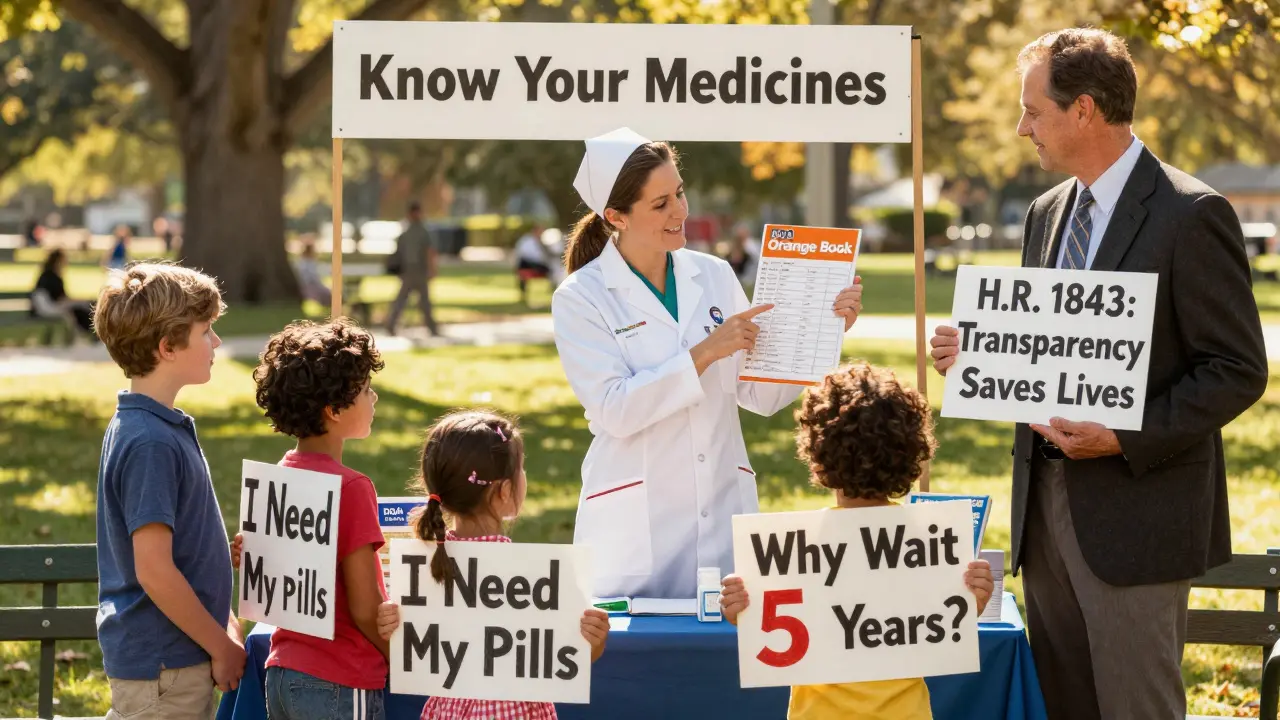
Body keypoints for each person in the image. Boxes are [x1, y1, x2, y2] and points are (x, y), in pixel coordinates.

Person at [928, 28, 1268, 720]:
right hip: (1044, 512)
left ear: (1084, 110)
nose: (1022, 128)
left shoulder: (1192, 214)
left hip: (1137, 518)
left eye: (1033, 111)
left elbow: (1237, 369)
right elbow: (1051, 346)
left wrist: (1122, 436)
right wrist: (979, 352)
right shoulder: (1045, 213)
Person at [550, 127, 865, 599]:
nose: (680, 211)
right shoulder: (581, 297)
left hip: (721, 506)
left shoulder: (713, 275)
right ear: (616, 216)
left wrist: (824, 331)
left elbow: (759, 395)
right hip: (634, 524)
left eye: (679, 193)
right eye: (660, 204)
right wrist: (703, 354)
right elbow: (614, 410)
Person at [720, 362, 995, 720]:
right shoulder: (927, 542)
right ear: (913, 456)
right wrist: (974, 599)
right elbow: (938, 622)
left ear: (816, 459)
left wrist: (739, 609)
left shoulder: (796, 549)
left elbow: (777, 631)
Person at [374, 409, 611, 720]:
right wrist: (594, 641)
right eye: (522, 469)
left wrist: (388, 629)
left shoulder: (424, 570)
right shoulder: (535, 577)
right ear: (505, 492)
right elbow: (568, 660)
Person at [91, 262, 242, 718]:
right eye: (206, 331)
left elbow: (174, 550)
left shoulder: (149, 425)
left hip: (171, 662)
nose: (216, 342)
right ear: (167, 346)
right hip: (165, 670)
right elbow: (155, 571)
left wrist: (214, 554)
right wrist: (222, 646)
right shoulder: (151, 441)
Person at [230, 318, 389, 720]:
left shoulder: (279, 477)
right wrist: (407, 660)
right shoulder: (352, 488)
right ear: (334, 410)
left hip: (282, 673)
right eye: (367, 391)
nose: (374, 399)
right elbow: (365, 608)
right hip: (342, 678)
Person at [386, 202, 440, 336]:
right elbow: (430, 252)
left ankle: (392, 324)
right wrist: (432, 269)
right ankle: (431, 328)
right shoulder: (422, 231)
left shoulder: (407, 232)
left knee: (405, 300)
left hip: (412, 270)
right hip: (416, 271)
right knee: (421, 301)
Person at [31, 249, 95, 339]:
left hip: (45, 307)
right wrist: (80, 301)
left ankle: (88, 332)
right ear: (58, 261)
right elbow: (60, 299)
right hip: (49, 307)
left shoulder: (47, 275)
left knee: (80, 307)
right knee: (81, 308)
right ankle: (89, 332)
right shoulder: (53, 278)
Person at [514, 222, 555, 303]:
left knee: (553, 269)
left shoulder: (543, 242)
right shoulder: (526, 241)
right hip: (527, 264)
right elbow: (526, 255)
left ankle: (554, 288)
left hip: (537, 264)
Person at [293, 235, 332, 307]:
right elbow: (311, 278)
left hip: (310, 285)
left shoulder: (304, 262)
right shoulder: (305, 263)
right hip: (309, 286)